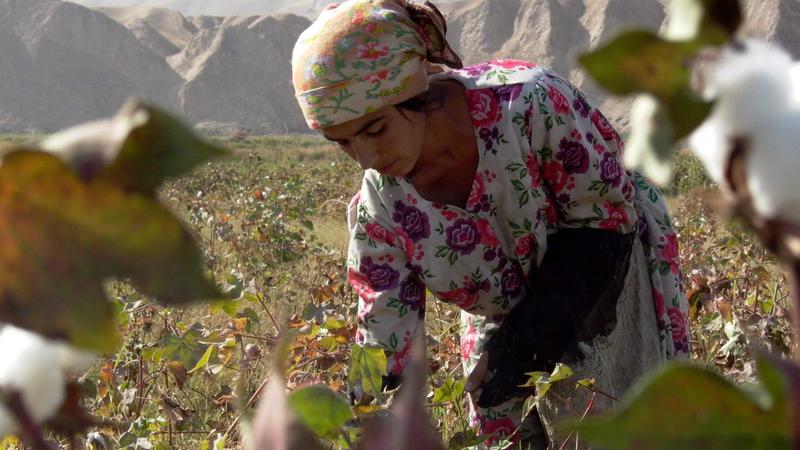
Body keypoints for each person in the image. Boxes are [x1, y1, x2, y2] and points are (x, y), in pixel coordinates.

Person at [291, 0, 689, 447]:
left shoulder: (529, 105)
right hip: (503, 319)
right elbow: (383, 329)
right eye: (343, 142)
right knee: (504, 430)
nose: (366, 158)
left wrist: (520, 350)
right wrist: (357, 417)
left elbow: (604, 224)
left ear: (412, 91)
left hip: (604, 283)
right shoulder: (382, 206)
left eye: (375, 129)